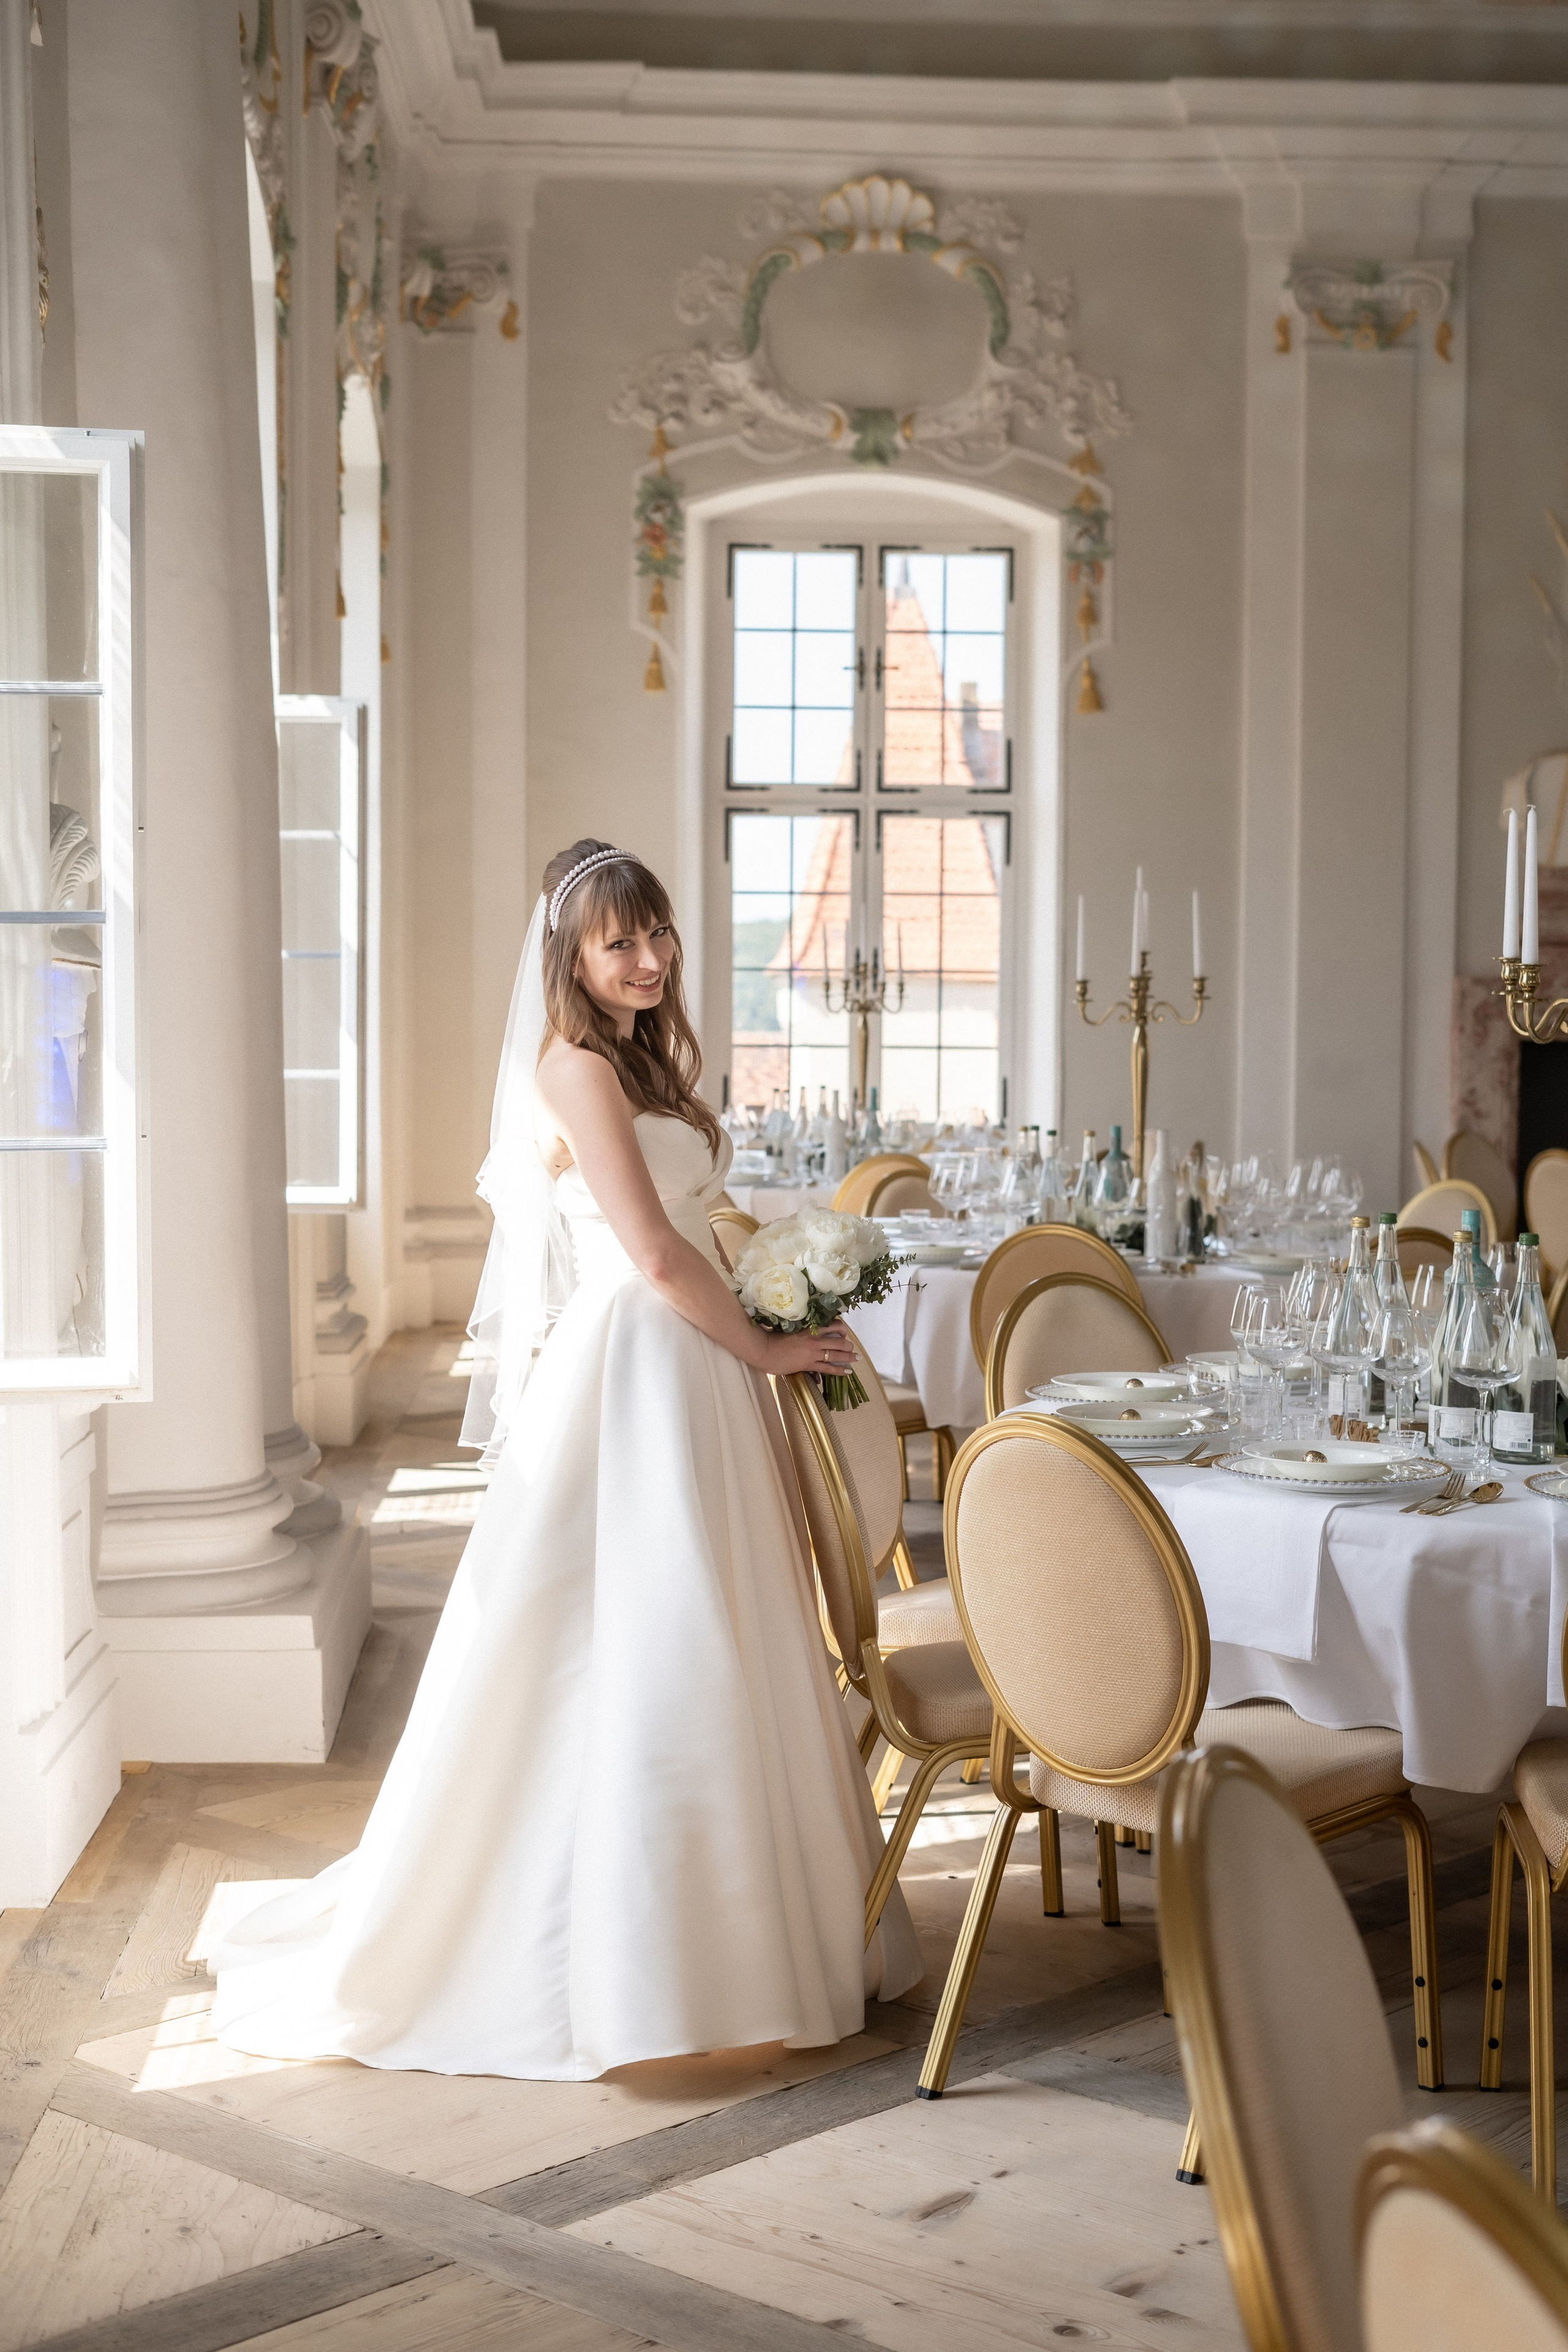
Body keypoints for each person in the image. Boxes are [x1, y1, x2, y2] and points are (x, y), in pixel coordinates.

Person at [210, 838, 922, 2079]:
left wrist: (774, 1299)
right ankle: (633, 1965)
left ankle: (750, 1935)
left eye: (657, 935)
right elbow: (650, 1251)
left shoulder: (638, 1062)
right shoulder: (573, 1068)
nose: (647, 959)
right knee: (640, 1632)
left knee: (718, 1625)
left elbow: (693, 1235)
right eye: (618, 942)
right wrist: (760, 1346)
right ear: (571, 956)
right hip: (637, 1365)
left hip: (685, 1362)